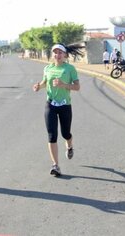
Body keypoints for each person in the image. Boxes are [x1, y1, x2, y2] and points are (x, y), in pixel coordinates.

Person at [33, 43, 83, 176]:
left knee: (66, 134)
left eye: (60, 52)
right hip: (50, 105)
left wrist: (63, 85)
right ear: (52, 55)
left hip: (65, 105)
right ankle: (55, 165)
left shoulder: (70, 68)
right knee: (52, 136)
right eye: (55, 52)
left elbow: (77, 87)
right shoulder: (47, 68)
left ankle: (69, 145)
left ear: (65, 55)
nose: (57, 55)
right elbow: (44, 83)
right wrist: (39, 86)